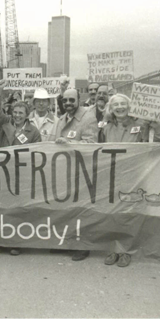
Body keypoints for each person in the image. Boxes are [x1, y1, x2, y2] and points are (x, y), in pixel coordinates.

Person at [99, 93, 160, 267]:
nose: (120, 107)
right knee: (111, 213)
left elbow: (154, 148)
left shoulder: (141, 125)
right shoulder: (105, 127)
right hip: (111, 175)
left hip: (133, 175)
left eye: (123, 104)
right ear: (111, 109)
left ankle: (125, 251)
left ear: (129, 107)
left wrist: (157, 129)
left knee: (129, 213)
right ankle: (113, 248)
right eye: (116, 105)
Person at [0, 80, 42, 256]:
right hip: (2, 173)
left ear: (27, 114)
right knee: (2, 208)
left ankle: (16, 242)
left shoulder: (33, 132)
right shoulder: (5, 124)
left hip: (22, 176)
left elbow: (38, 154)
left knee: (18, 210)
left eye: (21, 113)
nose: (18, 115)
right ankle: (1, 240)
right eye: (15, 112)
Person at [53, 87, 98, 262]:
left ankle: (82, 245)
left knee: (81, 209)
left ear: (78, 100)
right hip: (65, 171)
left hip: (82, 170)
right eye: (65, 101)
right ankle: (66, 242)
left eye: (71, 100)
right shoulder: (62, 119)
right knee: (65, 208)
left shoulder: (88, 118)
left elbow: (92, 143)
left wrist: (70, 143)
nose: (68, 104)